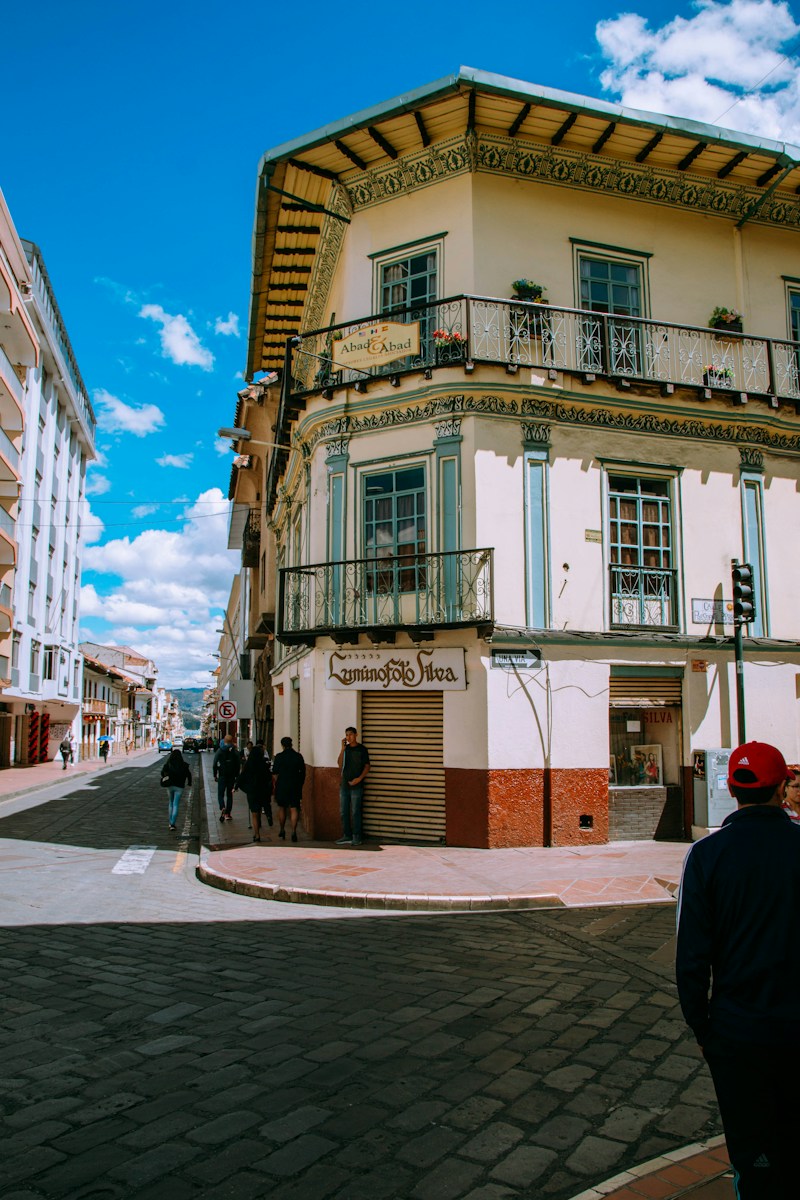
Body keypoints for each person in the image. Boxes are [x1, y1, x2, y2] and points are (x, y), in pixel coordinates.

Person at [676, 740, 800, 1199]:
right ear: (782, 787)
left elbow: (691, 959)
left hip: (738, 1033)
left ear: (731, 789)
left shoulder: (706, 857)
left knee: (753, 1157)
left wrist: (704, 1029)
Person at [337, 726, 370, 847]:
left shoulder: (362, 749)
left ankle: (357, 836)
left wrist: (359, 779)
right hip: (344, 785)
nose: (349, 737)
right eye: (347, 735)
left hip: (357, 785)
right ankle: (347, 835)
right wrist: (342, 749)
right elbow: (340, 764)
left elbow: (367, 766)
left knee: (356, 811)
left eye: (351, 734)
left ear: (356, 735)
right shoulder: (346, 750)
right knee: (343, 811)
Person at [271, 736, 305, 842]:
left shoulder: (279, 757)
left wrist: (277, 783)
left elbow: (275, 772)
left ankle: (282, 829)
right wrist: (300, 783)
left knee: (282, 808)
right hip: (295, 785)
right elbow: (303, 772)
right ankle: (294, 832)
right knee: (294, 808)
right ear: (292, 744)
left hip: (282, 785)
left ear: (282, 745)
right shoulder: (298, 756)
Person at [236, 744, 272, 842]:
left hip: (252, 791)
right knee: (259, 809)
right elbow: (269, 777)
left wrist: (237, 786)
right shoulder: (264, 764)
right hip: (262, 790)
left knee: (254, 813)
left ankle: (257, 834)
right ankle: (261, 822)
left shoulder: (248, 764)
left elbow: (242, 776)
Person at [160, 748, 192, 832]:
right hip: (179, 787)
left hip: (170, 785)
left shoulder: (168, 764)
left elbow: (162, 773)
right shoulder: (184, 765)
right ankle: (173, 823)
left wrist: (166, 775)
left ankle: (170, 822)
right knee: (176, 804)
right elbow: (189, 775)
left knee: (170, 803)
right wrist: (189, 783)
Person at [213, 734, 241, 822]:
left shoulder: (220, 750)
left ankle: (222, 807)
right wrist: (237, 776)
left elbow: (214, 763)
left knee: (220, 794)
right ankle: (228, 814)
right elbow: (238, 764)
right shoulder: (235, 751)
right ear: (232, 741)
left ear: (224, 741)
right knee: (229, 795)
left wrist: (215, 774)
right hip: (231, 776)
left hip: (222, 775)